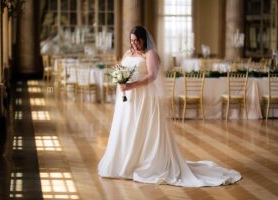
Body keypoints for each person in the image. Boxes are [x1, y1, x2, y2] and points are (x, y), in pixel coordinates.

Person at [98, 25, 241, 187]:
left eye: (137, 41)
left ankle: (144, 164)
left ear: (144, 39)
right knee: (126, 128)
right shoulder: (128, 53)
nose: (134, 44)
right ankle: (124, 163)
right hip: (128, 100)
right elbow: (121, 69)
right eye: (132, 41)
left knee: (143, 129)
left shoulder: (150, 54)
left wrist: (131, 85)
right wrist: (120, 80)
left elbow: (152, 76)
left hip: (144, 98)